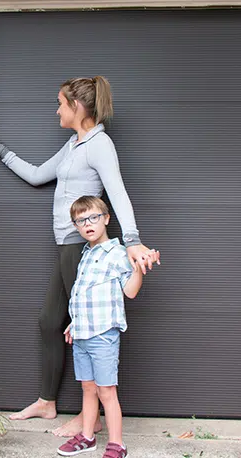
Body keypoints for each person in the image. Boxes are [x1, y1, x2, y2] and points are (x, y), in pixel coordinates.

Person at [0, 75, 160, 437]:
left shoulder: (100, 145)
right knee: (51, 323)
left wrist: (133, 240)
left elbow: (118, 193)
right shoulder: (74, 144)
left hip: (81, 249)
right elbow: (36, 176)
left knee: (86, 330)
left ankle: (84, 416)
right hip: (65, 246)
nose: (57, 109)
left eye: (61, 103)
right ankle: (48, 403)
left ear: (77, 107)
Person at [56, 196, 143, 457]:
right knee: (88, 388)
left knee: (106, 391)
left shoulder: (117, 253)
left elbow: (130, 292)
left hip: (103, 335)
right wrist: (74, 323)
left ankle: (117, 443)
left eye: (93, 217)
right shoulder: (86, 254)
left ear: (106, 218)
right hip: (82, 334)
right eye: (81, 221)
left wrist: (138, 268)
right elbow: (83, 295)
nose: (88, 224)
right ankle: (87, 436)